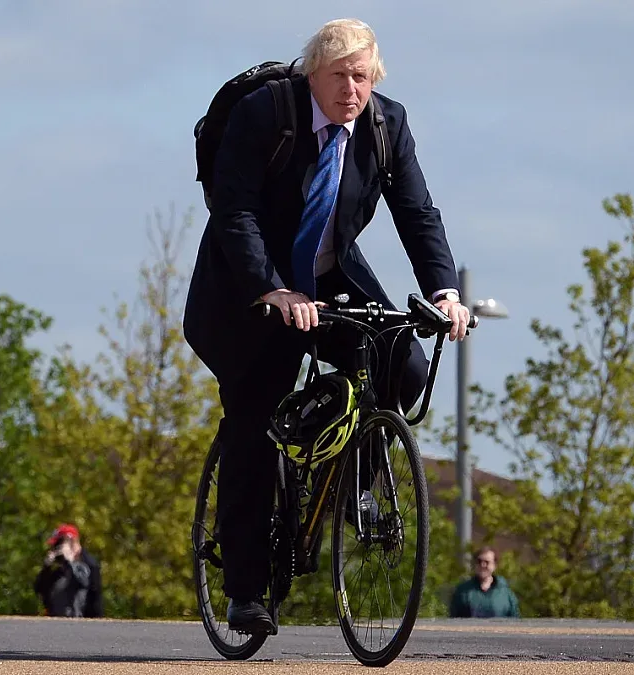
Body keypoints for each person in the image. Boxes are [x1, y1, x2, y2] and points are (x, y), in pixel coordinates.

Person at [183, 18, 471, 635]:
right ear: (312, 72)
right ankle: (244, 590)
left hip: (328, 268)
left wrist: (444, 293)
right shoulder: (267, 114)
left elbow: (417, 212)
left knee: (403, 361)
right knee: (253, 423)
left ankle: (350, 479)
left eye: (362, 77)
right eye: (340, 76)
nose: (352, 90)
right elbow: (234, 210)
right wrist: (272, 288)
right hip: (246, 281)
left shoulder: (386, 125)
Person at [33, 523, 104, 618]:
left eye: (58, 545)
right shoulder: (59, 570)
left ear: (72, 542)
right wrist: (46, 567)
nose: (56, 549)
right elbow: (39, 589)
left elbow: (84, 585)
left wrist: (70, 562)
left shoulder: (89, 564)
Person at [448, 546, 520, 618]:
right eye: (479, 561)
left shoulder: (505, 593)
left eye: (487, 562)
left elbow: (515, 620)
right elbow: (453, 619)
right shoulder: (463, 591)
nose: (482, 565)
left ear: (494, 565)